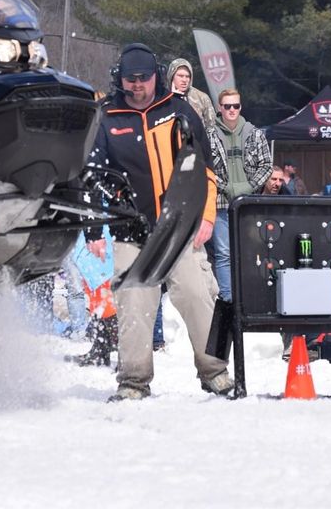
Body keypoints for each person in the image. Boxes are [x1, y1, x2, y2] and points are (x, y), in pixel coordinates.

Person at [96, 43, 231, 401]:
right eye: (130, 79)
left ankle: (215, 370)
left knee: (199, 296)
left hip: (181, 227)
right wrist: (96, 227)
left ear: (157, 75)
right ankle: (133, 381)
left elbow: (206, 168)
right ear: (120, 79)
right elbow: (91, 175)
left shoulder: (179, 109)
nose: (137, 85)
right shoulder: (107, 116)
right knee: (134, 305)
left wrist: (206, 216)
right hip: (132, 231)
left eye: (144, 78)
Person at [208, 88, 271, 303]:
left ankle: (251, 297)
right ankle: (227, 299)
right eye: (227, 106)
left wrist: (248, 186)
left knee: (251, 252)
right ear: (220, 108)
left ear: (240, 107)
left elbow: (267, 165)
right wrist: (226, 186)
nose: (232, 110)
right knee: (224, 255)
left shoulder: (255, 133)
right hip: (220, 203)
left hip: (249, 205)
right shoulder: (209, 135)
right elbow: (205, 168)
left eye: (236, 105)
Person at [166, 57, 216, 134]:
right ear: (172, 76)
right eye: (180, 76)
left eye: (187, 76)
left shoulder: (201, 97)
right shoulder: (162, 98)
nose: (184, 80)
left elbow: (211, 128)